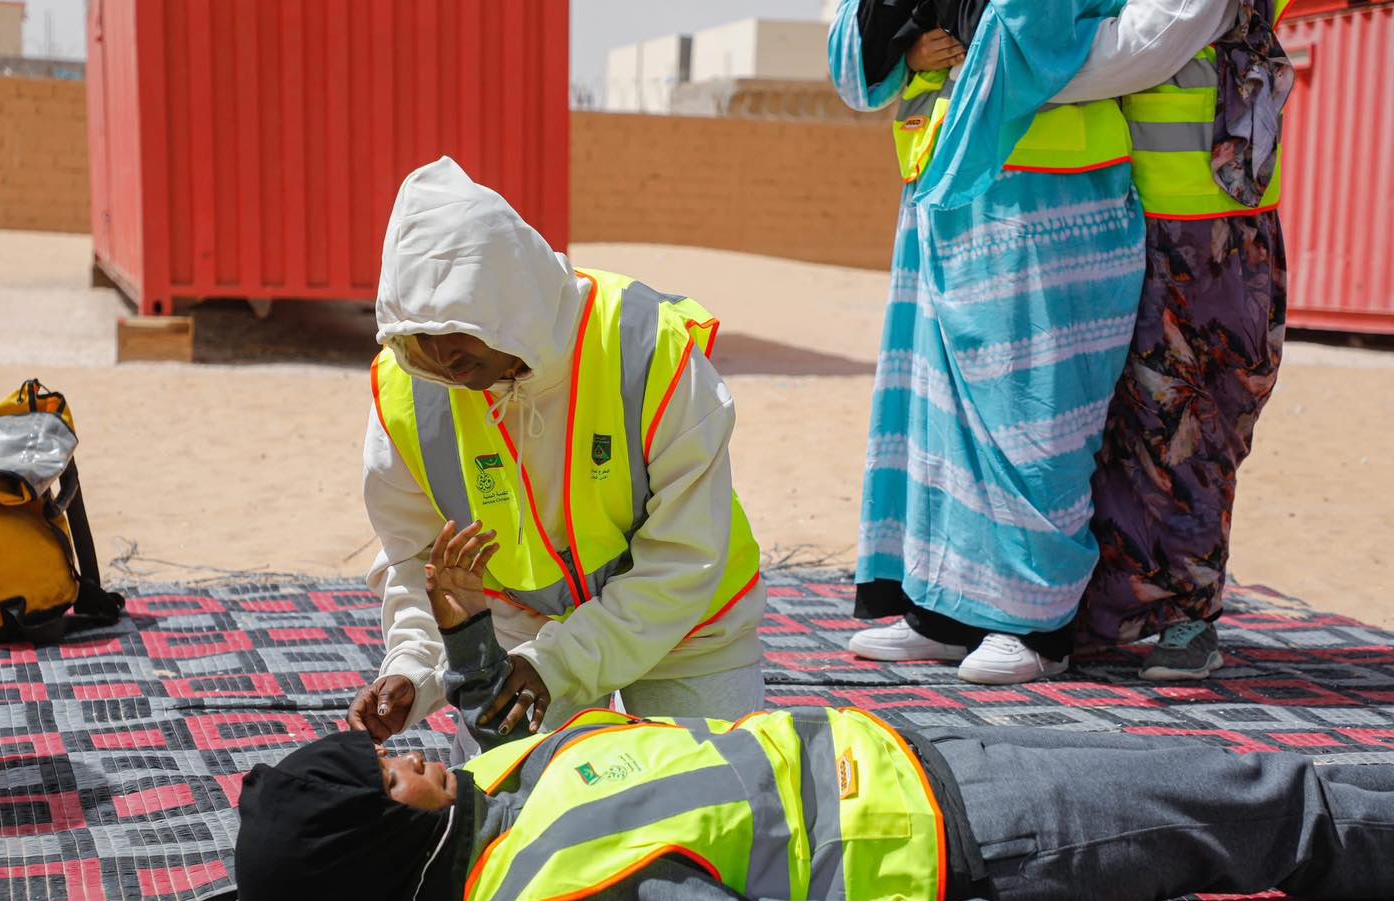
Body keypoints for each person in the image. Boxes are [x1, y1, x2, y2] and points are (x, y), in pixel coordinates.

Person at [213, 569, 1394, 901]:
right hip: (974, 839)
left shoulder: (484, 829)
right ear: (390, 850)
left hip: (916, 764)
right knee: (1272, 811)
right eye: (389, 781)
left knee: (1238, 778)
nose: (415, 760)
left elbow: (504, 748)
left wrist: (469, 637)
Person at [347, 157, 766, 752]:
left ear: (510, 302)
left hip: (689, 622)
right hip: (522, 638)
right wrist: (413, 668)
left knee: (714, 791)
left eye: (458, 329)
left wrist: (556, 665)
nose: (442, 360)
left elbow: (684, 556)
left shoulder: (647, 347)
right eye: (421, 338)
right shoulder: (406, 389)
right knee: (510, 799)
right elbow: (418, 560)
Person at [831, 0, 1148, 683]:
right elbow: (856, 66)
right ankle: (943, 614)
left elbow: (1036, 31)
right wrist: (909, 51)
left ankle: (1035, 628)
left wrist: (955, 44)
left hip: (1051, 196)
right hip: (944, 191)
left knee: (1033, 411)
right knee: (936, 409)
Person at [1069, 0, 1295, 680]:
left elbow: (1136, 53)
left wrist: (1016, 66)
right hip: (1128, 225)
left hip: (1217, 240)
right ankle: (1109, 610)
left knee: (1200, 431)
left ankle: (1189, 618)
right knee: (1122, 426)